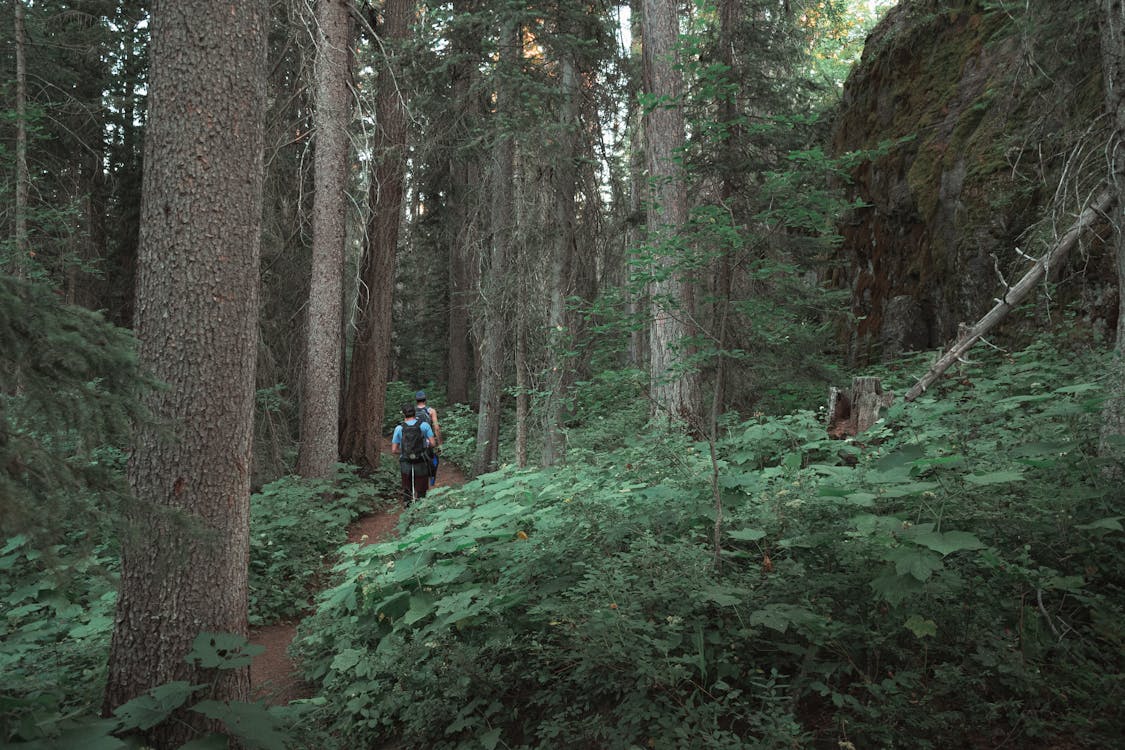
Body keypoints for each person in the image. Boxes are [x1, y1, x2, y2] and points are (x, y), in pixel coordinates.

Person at [391, 402, 435, 507]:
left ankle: (408, 511)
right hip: (421, 461)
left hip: (405, 463)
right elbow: (433, 443)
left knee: (407, 489)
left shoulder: (399, 428)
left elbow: (394, 450)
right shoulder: (424, 425)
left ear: (403, 414)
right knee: (421, 489)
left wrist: (405, 452)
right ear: (415, 413)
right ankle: (421, 510)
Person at [414, 390, 441, 484]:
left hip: (414, 440)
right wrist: (439, 442)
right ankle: (432, 478)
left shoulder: (411, 411)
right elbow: (436, 427)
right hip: (428, 440)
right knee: (435, 458)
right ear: (425, 400)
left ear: (416, 400)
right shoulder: (431, 411)